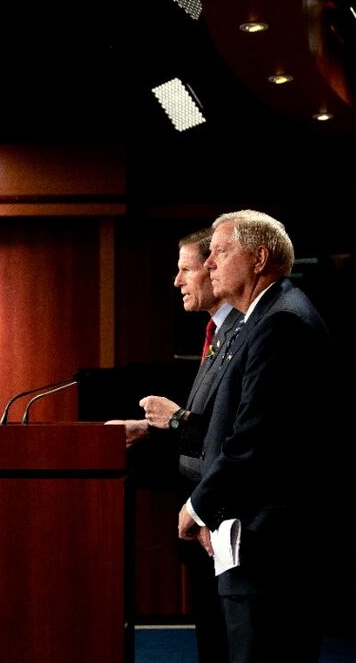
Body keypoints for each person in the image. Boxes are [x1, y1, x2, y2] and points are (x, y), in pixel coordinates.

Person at [177, 210, 334, 662]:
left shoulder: (281, 322)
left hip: (271, 549)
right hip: (259, 540)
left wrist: (198, 506)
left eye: (220, 253)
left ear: (259, 257)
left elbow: (254, 440)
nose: (208, 264)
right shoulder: (264, 318)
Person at [110, 227, 241, 662]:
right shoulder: (217, 334)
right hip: (207, 512)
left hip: (225, 517)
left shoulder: (248, 333)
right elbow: (212, 426)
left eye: (186, 269)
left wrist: (209, 508)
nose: (178, 280)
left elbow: (238, 438)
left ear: (212, 267)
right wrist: (150, 428)